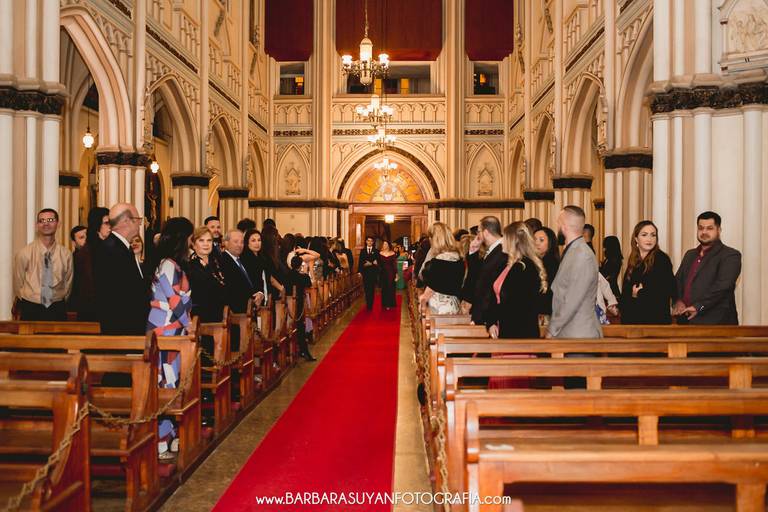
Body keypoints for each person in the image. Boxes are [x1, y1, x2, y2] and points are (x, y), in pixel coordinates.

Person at [672, 211, 742, 324]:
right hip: (685, 320)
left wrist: (698, 307)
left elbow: (722, 287)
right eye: (701, 228)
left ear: (719, 230)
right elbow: (677, 281)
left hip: (716, 323)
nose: (704, 232)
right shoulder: (690, 254)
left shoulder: (730, 255)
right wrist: (678, 301)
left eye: (709, 228)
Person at [93, 203, 149, 334]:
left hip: (127, 326)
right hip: (122, 327)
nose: (140, 224)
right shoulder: (111, 249)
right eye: (137, 220)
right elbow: (120, 295)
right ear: (126, 221)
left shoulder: (120, 247)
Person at [548, 206, 602, 338]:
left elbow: (572, 299)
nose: (557, 226)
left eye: (558, 222)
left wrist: (552, 329)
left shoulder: (582, 255)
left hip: (578, 334)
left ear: (564, 225)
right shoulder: (573, 251)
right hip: (570, 332)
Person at [486, 222, 547, 339]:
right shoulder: (508, 265)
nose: (502, 241)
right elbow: (494, 297)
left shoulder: (525, 267)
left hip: (519, 331)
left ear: (514, 241)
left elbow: (517, 305)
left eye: (505, 237)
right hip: (504, 326)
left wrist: (493, 317)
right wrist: (491, 321)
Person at [13, 208, 73, 321]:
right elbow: (18, 283)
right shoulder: (24, 253)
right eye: (41, 221)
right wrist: (28, 299)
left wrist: (59, 297)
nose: (46, 223)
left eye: (50, 220)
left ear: (58, 224)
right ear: (37, 225)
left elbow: (68, 283)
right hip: (30, 307)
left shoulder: (66, 254)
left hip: (57, 307)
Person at [619, 220, 677, 324]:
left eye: (653, 235)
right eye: (644, 235)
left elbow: (664, 291)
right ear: (636, 239)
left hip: (655, 321)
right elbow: (625, 293)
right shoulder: (633, 260)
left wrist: (637, 294)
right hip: (632, 321)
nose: (649, 239)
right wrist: (634, 295)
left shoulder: (661, 259)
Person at [147, 217, 194, 336]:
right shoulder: (168, 265)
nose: (191, 243)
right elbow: (173, 299)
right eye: (190, 238)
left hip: (173, 324)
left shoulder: (172, 264)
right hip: (165, 326)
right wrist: (188, 324)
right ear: (182, 240)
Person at [71, 207, 110, 321]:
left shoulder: (106, 247)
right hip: (94, 311)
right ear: (97, 225)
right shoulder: (89, 251)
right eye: (106, 223)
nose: (110, 226)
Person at [418, 223, 465, 314]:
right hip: (454, 306)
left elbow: (429, 292)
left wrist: (422, 303)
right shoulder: (459, 259)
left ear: (434, 240)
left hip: (439, 308)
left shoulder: (437, 263)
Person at [469, 216, 508, 326]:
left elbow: (489, 287)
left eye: (479, 231)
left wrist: (483, 316)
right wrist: (473, 250)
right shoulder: (494, 250)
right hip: (484, 312)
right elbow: (477, 275)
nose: (478, 235)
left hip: (488, 313)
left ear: (485, 232)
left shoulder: (502, 252)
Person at [188, 227, 227, 323]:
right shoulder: (189, 266)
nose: (206, 244)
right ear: (194, 244)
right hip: (200, 318)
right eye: (201, 240)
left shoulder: (218, 262)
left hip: (221, 315)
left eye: (209, 240)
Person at [219, 230, 263, 314]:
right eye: (236, 242)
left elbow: (256, 279)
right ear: (226, 243)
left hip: (248, 310)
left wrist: (260, 293)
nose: (239, 245)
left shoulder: (244, 260)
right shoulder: (222, 261)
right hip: (235, 313)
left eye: (242, 242)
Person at [285, 255, 317, 361]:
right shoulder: (302, 277)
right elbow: (309, 284)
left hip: (287, 306)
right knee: (300, 328)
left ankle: (294, 351)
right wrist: (305, 271)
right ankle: (304, 351)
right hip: (298, 306)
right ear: (300, 266)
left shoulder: (286, 275)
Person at [533, 227, 560, 318]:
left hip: (547, 314)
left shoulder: (552, 263)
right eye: (534, 239)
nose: (536, 243)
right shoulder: (535, 262)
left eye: (541, 240)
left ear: (550, 243)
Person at [359, 236, 380, 310]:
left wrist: (371, 263)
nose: (370, 242)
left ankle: (370, 305)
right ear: (366, 242)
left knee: (372, 289)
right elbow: (360, 262)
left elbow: (378, 262)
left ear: (373, 242)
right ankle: (368, 303)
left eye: (371, 241)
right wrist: (359, 271)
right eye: (368, 241)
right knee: (366, 289)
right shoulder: (363, 251)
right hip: (365, 273)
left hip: (373, 273)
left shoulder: (376, 251)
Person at [379, 240, 398, 310]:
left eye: (386, 244)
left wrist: (396, 274)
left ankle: (391, 304)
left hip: (391, 272)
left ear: (389, 245)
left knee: (391, 287)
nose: (385, 245)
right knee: (384, 288)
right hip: (383, 273)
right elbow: (379, 264)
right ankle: (385, 303)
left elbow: (394, 264)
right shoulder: (380, 253)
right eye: (384, 244)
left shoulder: (392, 253)